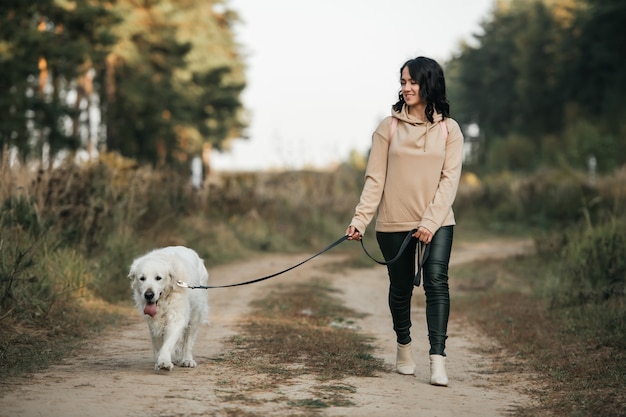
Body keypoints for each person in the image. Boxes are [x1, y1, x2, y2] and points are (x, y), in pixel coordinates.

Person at [346, 56, 463, 386]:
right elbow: (375, 180)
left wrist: (429, 221)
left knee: (436, 282)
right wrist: (360, 220)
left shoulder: (448, 130)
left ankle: (438, 359)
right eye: (403, 82)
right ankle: (404, 346)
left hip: (437, 222)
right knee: (400, 289)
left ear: (429, 84)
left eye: (412, 82)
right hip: (394, 221)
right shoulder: (389, 127)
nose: (406, 87)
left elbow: (449, 180)